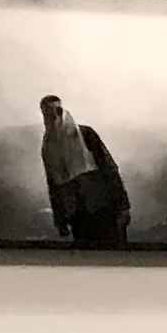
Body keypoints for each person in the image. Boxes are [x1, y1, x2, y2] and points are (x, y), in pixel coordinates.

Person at [36, 95, 130, 247]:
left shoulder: (85, 134)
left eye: (56, 110)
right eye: (48, 112)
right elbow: (53, 184)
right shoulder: (48, 147)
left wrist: (123, 205)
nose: (53, 116)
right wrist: (60, 221)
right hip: (77, 214)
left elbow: (109, 167)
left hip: (103, 206)